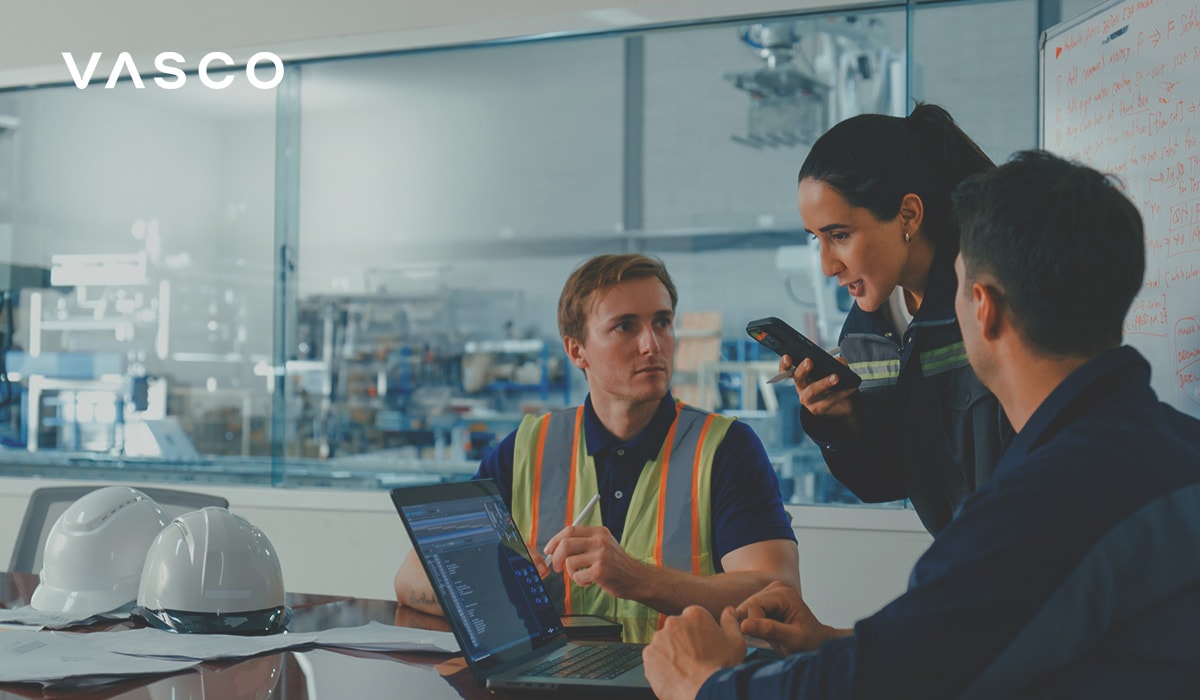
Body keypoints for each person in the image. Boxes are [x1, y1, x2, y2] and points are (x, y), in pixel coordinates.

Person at [642, 150, 1200, 698]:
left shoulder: (1041, 504)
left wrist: (706, 685)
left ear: (982, 307)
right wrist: (833, 644)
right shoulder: (1174, 449)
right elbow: (968, 650)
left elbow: (891, 681)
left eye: (954, 284)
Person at [395, 253, 799, 637]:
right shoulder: (527, 448)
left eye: (662, 322)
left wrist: (639, 579)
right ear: (576, 350)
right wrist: (499, 593)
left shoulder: (726, 449)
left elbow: (777, 593)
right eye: (625, 326)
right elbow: (411, 577)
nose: (652, 345)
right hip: (553, 685)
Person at [787, 103, 1012, 533]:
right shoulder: (866, 334)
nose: (827, 265)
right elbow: (888, 479)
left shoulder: (992, 304)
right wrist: (842, 421)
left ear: (908, 215)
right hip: (967, 567)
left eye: (839, 235)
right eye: (816, 239)